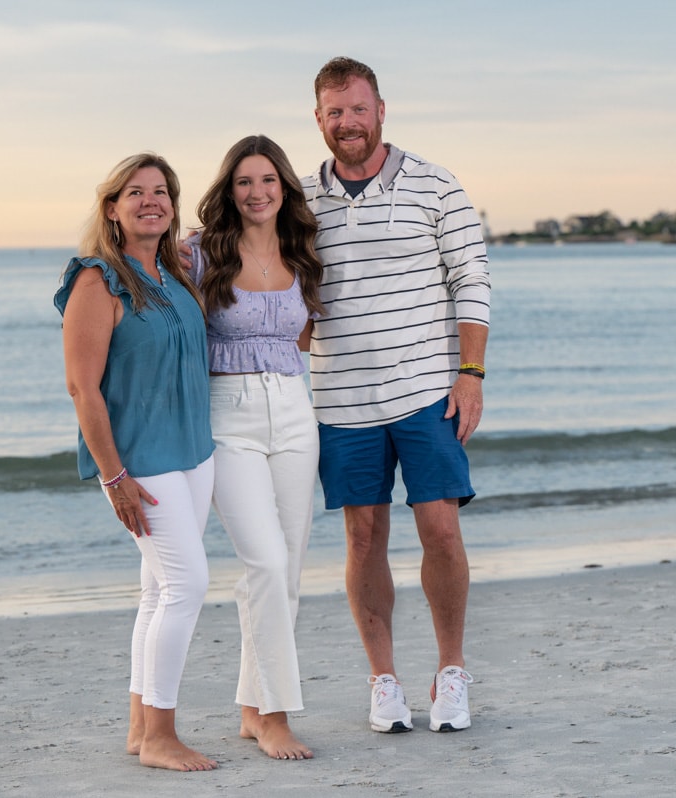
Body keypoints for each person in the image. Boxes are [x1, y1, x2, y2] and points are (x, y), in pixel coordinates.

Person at [302, 57, 491, 734]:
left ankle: (451, 672)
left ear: (381, 110)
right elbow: (260, 266)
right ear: (318, 119)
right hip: (341, 400)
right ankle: (384, 681)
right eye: (334, 112)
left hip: (427, 391)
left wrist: (471, 373)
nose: (347, 122)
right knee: (363, 537)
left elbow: (472, 279)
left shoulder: (436, 185)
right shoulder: (299, 200)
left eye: (358, 109)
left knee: (440, 528)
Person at [54, 152, 218, 772]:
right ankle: (161, 737)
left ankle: (139, 727)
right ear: (112, 208)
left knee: (157, 589)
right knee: (187, 585)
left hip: (194, 454)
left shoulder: (176, 275)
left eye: (162, 192)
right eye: (136, 192)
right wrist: (113, 475)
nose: (151, 201)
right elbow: (82, 389)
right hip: (139, 463)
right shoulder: (97, 281)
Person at [186, 135, 324, 761]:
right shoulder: (201, 255)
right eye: (244, 181)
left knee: (285, 570)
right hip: (229, 416)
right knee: (265, 563)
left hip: (294, 410)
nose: (257, 192)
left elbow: (308, 335)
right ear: (229, 190)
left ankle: (250, 706)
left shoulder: (303, 253)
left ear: (284, 188)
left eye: (268, 180)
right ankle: (274, 715)